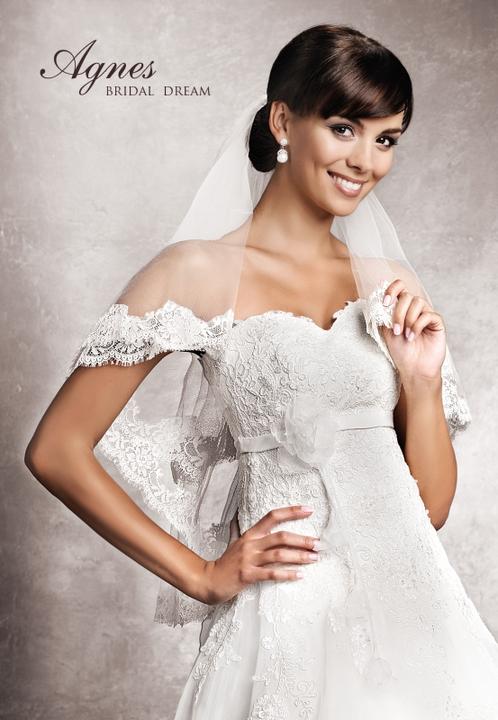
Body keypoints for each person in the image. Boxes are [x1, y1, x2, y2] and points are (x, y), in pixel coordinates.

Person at [24, 23, 498, 719]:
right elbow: (56, 449)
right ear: (283, 121)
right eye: (344, 128)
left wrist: (422, 384)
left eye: (386, 139)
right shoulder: (195, 270)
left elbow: (426, 513)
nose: (365, 161)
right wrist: (201, 575)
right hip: (285, 626)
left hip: (415, 630)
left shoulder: (390, 284)